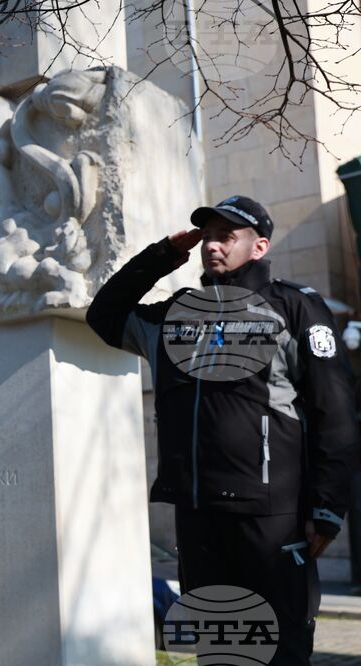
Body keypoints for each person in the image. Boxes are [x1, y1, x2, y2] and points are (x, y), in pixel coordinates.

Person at [86, 195, 359, 664]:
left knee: (281, 651)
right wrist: (163, 255)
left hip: (272, 519)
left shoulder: (296, 308)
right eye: (208, 235)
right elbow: (104, 315)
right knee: (221, 652)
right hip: (198, 515)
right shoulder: (174, 314)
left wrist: (329, 506)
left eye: (226, 236)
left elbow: (335, 410)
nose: (213, 245)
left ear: (259, 247)